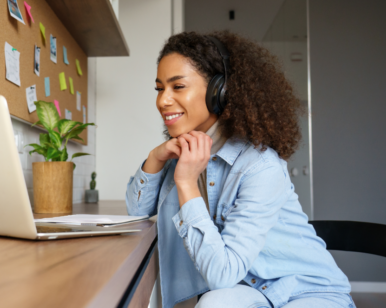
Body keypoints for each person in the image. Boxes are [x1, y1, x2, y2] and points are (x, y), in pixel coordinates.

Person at [125, 31, 355, 308]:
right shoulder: (184, 154)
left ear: (219, 91)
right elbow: (137, 214)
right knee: (214, 303)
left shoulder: (260, 167)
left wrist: (186, 184)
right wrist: (155, 159)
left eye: (178, 86)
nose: (163, 101)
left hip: (305, 291)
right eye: (160, 88)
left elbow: (221, 274)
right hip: (252, 290)